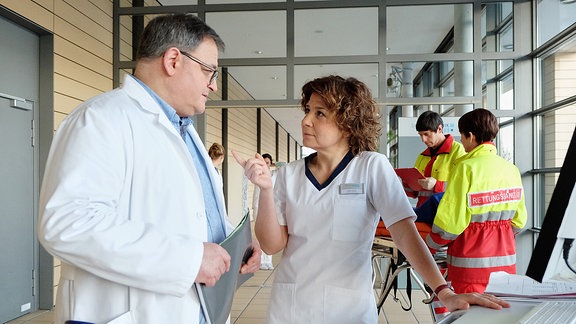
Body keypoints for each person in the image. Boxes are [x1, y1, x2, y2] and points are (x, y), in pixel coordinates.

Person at [37, 14, 261, 324]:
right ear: (173, 60)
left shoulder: (186, 132)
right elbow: (68, 223)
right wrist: (188, 259)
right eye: (209, 71)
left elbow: (193, 215)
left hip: (195, 308)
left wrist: (239, 250)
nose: (213, 85)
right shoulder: (101, 120)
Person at [233, 75, 509, 323]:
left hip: (349, 310)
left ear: (348, 123)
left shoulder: (371, 167)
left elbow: (405, 236)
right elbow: (271, 244)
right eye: (307, 111)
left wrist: (444, 291)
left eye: (320, 113)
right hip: (291, 309)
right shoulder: (287, 176)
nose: (306, 120)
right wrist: (265, 191)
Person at [425, 108, 527, 294]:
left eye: (462, 137)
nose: (461, 142)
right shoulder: (511, 169)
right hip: (506, 263)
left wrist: (428, 245)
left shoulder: (465, 168)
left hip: (470, 267)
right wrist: (496, 234)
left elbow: (450, 224)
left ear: (470, 136)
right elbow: (519, 221)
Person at [407, 111, 466, 208]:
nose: (423, 139)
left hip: (445, 214)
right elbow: (415, 193)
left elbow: (463, 187)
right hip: (423, 213)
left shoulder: (459, 152)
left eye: (426, 134)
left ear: (439, 129)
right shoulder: (422, 156)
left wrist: (437, 185)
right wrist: (408, 183)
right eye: (420, 135)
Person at [251, 153, 276, 270]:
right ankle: (260, 260)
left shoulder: (273, 176)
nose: (265, 164)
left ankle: (268, 260)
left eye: (267, 163)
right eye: (263, 162)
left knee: (268, 232)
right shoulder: (256, 174)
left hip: (269, 208)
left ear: (270, 164)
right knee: (259, 233)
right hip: (257, 206)